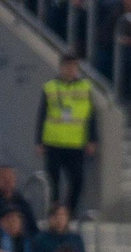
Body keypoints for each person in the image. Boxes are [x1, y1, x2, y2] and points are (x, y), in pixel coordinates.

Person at [38, 52, 98, 215]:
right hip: (53, 141)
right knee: (53, 181)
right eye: (68, 66)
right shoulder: (50, 87)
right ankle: (55, 211)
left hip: (76, 142)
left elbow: (91, 116)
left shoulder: (85, 87)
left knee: (78, 180)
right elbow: (42, 115)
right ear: (61, 67)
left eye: (74, 66)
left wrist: (92, 139)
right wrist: (39, 141)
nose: (71, 69)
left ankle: (68, 212)